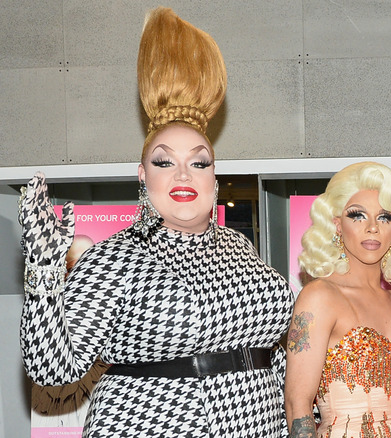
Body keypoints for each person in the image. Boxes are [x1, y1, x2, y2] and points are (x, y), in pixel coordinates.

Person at [18, 7, 293, 437]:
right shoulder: (114, 260)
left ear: (215, 179)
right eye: (165, 162)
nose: (183, 175)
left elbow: (267, 350)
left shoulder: (240, 248)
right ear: (143, 176)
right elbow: (52, 370)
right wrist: (42, 273)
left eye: (198, 162)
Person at [284, 162, 391, 438]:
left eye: (384, 217)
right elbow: (296, 404)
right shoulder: (320, 296)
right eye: (357, 215)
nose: (372, 227)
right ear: (336, 223)